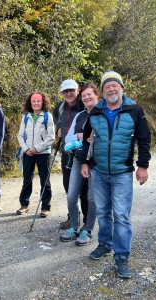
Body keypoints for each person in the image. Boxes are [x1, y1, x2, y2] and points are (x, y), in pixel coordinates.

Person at [80, 71, 151, 279]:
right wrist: (85, 162)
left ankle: (121, 257)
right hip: (99, 171)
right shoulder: (96, 111)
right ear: (102, 91)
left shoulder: (134, 109)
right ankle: (104, 244)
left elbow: (144, 138)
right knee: (102, 211)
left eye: (114, 85)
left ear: (121, 88)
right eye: (107, 86)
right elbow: (86, 138)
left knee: (121, 215)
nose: (111, 89)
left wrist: (143, 166)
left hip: (122, 172)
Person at [59, 83, 99, 246]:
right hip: (78, 159)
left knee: (91, 198)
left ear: (96, 95)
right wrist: (82, 136)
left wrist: (94, 138)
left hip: (97, 162)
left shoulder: (103, 114)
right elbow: (68, 138)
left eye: (89, 94)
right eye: (84, 96)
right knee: (71, 196)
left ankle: (87, 230)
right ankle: (74, 228)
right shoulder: (80, 115)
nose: (86, 97)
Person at [55, 79, 88, 229]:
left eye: (71, 90)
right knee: (69, 187)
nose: (68, 94)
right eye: (65, 91)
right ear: (62, 93)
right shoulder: (60, 107)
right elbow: (55, 119)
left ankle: (87, 221)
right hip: (66, 152)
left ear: (77, 90)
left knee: (85, 189)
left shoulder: (84, 105)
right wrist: (57, 129)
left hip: (83, 153)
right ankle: (72, 217)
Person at [16, 92, 55, 218]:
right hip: (28, 153)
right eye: (34, 101)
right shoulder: (26, 117)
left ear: (43, 102)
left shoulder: (47, 116)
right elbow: (20, 136)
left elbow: (51, 137)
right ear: (30, 103)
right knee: (27, 179)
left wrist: (36, 149)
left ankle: (45, 207)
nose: (36, 103)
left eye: (38, 101)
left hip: (43, 153)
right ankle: (24, 205)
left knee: (45, 180)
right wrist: (26, 149)